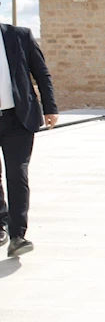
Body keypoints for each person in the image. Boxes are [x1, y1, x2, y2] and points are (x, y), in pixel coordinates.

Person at [0, 21, 58, 257]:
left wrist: (50, 107)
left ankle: (18, 236)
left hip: (18, 119)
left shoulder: (20, 36)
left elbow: (41, 72)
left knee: (17, 174)